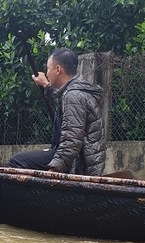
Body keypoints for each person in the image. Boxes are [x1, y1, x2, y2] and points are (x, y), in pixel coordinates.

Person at [9, 48, 106, 176]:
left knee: (18, 161)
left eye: (48, 69)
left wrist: (54, 170)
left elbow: (71, 140)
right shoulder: (76, 91)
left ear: (58, 69)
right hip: (81, 158)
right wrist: (46, 86)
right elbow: (59, 99)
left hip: (79, 163)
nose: (47, 73)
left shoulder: (73, 96)